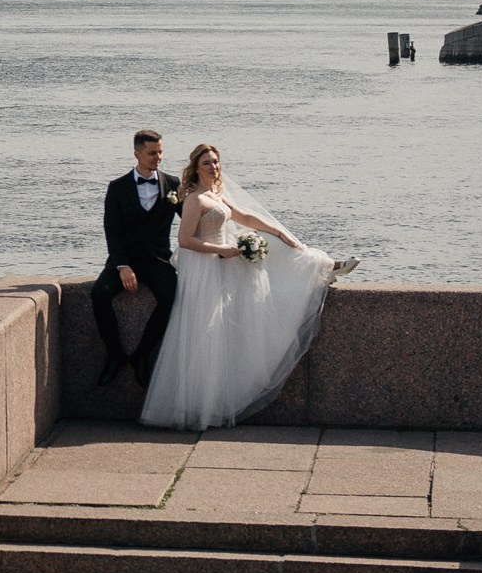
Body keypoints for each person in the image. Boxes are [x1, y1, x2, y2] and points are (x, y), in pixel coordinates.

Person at [140, 143, 360, 432]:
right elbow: (185, 241)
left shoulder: (216, 195)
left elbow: (244, 217)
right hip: (206, 268)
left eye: (216, 162)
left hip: (222, 262)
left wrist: (279, 231)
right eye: (206, 163)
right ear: (195, 168)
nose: (213, 167)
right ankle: (199, 410)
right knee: (206, 334)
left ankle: (322, 266)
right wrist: (224, 251)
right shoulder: (195, 199)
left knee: (270, 244)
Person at [93, 129, 178, 387]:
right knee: (99, 293)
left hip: (158, 261)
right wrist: (122, 265)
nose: (158, 158)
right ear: (137, 154)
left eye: (161, 152)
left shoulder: (173, 184)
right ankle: (115, 355)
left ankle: (142, 355)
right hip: (125, 260)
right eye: (152, 153)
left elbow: (193, 217)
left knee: (170, 297)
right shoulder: (117, 187)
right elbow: (112, 230)